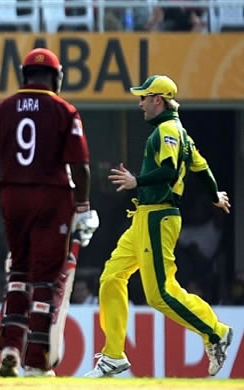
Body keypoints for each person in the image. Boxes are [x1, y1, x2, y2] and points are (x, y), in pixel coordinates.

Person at [0, 48, 99, 377]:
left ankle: (9, 348)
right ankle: (35, 361)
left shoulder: (2, 109)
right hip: (52, 198)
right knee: (46, 280)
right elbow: (81, 166)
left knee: (19, 273)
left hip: (13, 197)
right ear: (56, 77)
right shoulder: (65, 110)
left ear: (24, 76)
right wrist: (84, 206)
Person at [85, 75, 233, 378]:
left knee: (160, 294)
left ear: (158, 100)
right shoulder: (181, 133)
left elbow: (166, 171)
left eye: (144, 97)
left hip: (158, 216)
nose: (140, 103)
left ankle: (215, 332)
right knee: (112, 276)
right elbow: (201, 167)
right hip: (145, 216)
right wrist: (214, 193)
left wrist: (136, 181)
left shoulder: (167, 130)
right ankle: (114, 355)